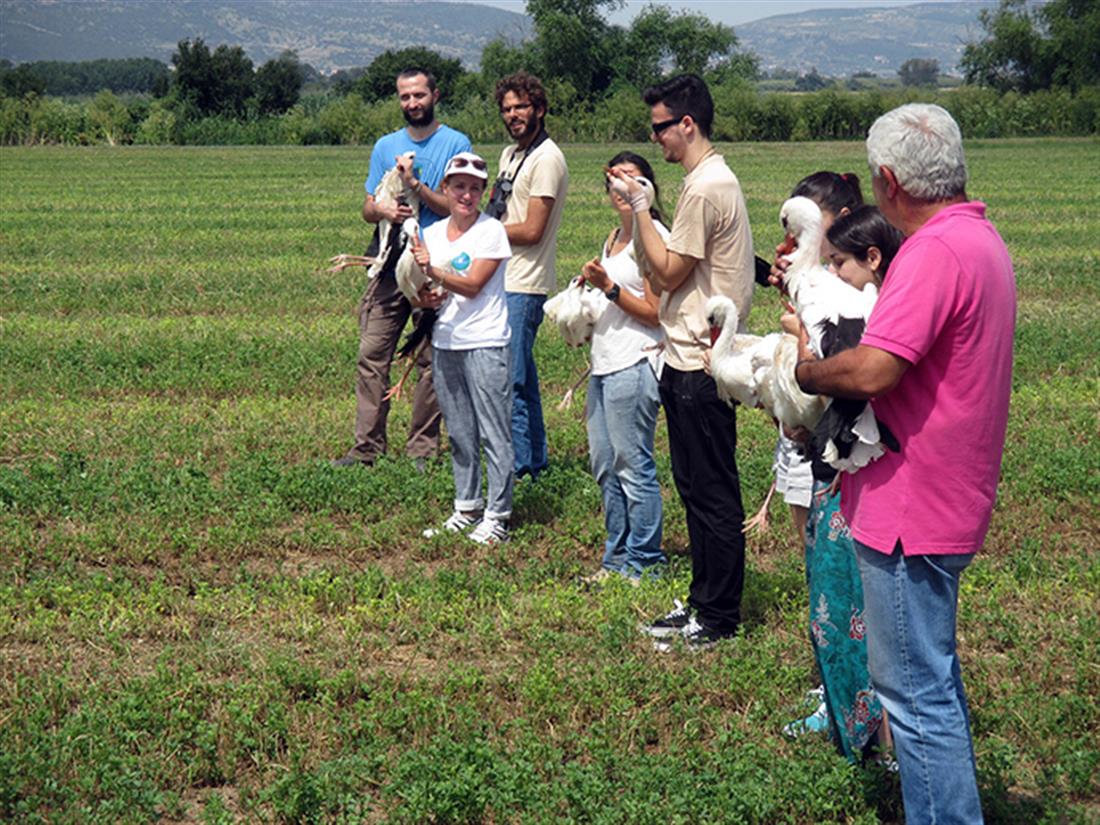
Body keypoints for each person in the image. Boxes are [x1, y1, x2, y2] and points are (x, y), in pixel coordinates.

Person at [796, 103, 1016, 823]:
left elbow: (872, 371)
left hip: (909, 507)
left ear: (888, 181)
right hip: (951, 491)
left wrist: (808, 371)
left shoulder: (930, 253)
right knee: (932, 684)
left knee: (913, 698)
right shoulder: (981, 240)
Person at [609, 75, 755, 649]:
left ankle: (719, 616)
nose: (656, 140)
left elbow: (669, 272)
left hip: (699, 360)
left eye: (659, 128)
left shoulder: (703, 188)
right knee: (694, 487)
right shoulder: (708, 181)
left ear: (686, 124)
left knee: (711, 492)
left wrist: (641, 210)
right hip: (687, 356)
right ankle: (702, 601)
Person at [786, 205, 904, 764]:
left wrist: (806, 366)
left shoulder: (884, 321)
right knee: (838, 611)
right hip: (846, 481)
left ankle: (884, 744)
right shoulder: (875, 311)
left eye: (841, 264)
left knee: (859, 615)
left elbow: (856, 385)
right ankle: (861, 736)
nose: (833, 275)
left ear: (872, 258)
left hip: (864, 490)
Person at [333, 68, 472, 469]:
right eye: (405, 97)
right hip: (388, 259)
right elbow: (366, 208)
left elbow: (459, 207)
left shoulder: (455, 143)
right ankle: (366, 449)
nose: (412, 103)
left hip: (432, 261)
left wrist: (416, 187)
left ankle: (421, 451)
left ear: (435, 95)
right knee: (372, 354)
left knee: (431, 359)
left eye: (419, 95)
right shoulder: (384, 146)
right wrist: (380, 208)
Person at [412, 152, 514, 545]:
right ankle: (466, 505)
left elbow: (473, 284)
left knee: (494, 431)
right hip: (446, 341)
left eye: (474, 188)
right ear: (446, 189)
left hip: (485, 341)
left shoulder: (492, 232)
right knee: (459, 430)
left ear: (483, 192)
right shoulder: (434, 235)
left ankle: (498, 515)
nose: (467, 195)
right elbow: (425, 291)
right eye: (459, 187)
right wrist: (424, 298)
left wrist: (434, 271)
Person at [578, 152, 669, 584]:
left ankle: (645, 560)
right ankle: (615, 559)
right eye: (616, 181)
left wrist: (608, 287)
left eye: (632, 181)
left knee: (633, 464)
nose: (623, 189)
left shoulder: (653, 239)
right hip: (603, 361)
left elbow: (655, 313)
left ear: (648, 190)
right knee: (604, 464)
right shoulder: (614, 237)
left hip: (636, 360)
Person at [769, 172, 864, 546]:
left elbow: (827, 348)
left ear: (841, 217)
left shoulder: (853, 284)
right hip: (807, 428)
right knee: (811, 536)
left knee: (836, 541)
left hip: (842, 435)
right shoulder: (820, 274)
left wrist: (796, 326)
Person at [490, 72, 569, 480]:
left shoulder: (547, 158)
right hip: (504, 280)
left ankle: (520, 470)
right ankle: (535, 463)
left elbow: (533, 228)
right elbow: (499, 208)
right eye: (506, 108)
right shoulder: (511, 154)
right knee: (523, 379)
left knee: (512, 384)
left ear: (539, 108)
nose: (513, 115)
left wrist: (482, 233)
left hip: (525, 284)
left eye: (520, 106)